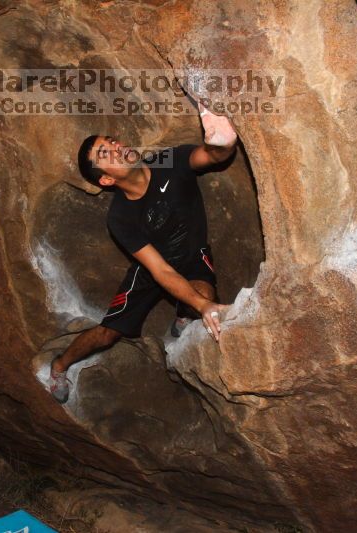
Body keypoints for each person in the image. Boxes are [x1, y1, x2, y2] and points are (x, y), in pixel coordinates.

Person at [49, 106, 238, 403]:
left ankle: (184, 313)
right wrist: (201, 306)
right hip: (151, 272)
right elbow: (161, 271)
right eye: (105, 152)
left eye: (112, 141)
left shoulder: (166, 160)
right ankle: (60, 366)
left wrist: (222, 143)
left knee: (206, 299)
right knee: (108, 334)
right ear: (106, 180)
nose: (116, 146)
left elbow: (211, 156)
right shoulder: (120, 218)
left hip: (192, 255)